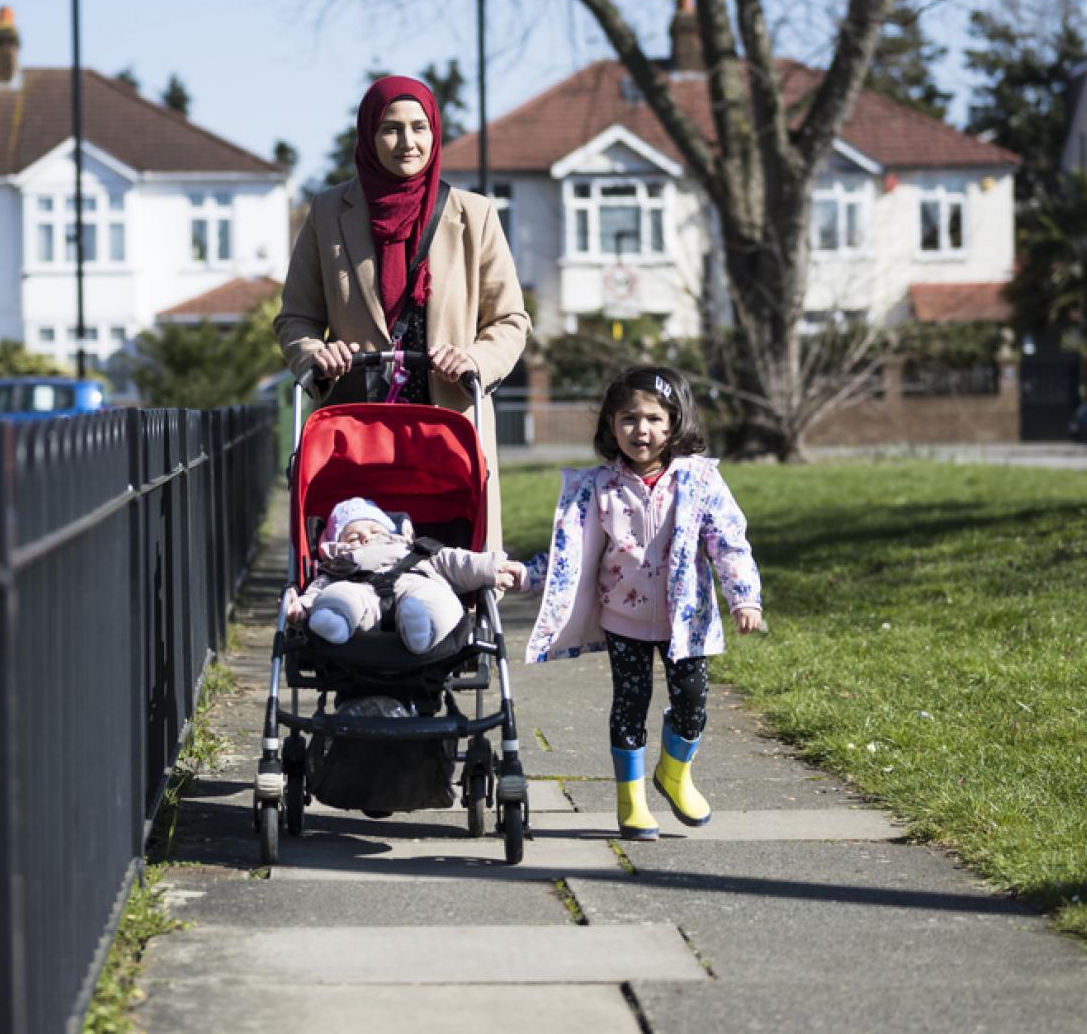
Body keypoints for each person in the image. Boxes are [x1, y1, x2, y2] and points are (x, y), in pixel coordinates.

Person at [276, 75, 530, 548]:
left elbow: (510, 320)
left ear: (435, 132)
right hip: (356, 434)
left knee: (455, 568)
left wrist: (476, 359)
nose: (407, 141)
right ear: (369, 136)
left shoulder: (473, 214)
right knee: (355, 565)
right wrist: (316, 355)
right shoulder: (329, 211)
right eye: (390, 128)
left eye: (419, 127)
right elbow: (295, 317)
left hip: (449, 432)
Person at [514, 365, 765, 840]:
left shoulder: (700, 480)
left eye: (653, 418)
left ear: (674, 422)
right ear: (611, 425)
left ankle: (674, 772)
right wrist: (527, 574)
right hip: (622, 617)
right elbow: (571, 550)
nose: (641, 430)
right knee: (630, 703)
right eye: (628, 419)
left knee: (691, 701)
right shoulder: (596, 487)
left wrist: (743, 597)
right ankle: (630, 802)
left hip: (685, 619)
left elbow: (728, 542)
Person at [288, 498, 523, 654]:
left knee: (435, 598)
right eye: (352, 537)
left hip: (415, 583)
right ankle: (334, 621)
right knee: (339, 595)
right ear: (336, 544)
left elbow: (459, 562)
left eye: (374, 529)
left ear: (393, 530)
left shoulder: (419, 550)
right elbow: (319, 588)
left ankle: (421, 627)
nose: (366, 538)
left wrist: (495, 569)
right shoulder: (338, 563)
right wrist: (303, 608)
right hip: (361, 593)